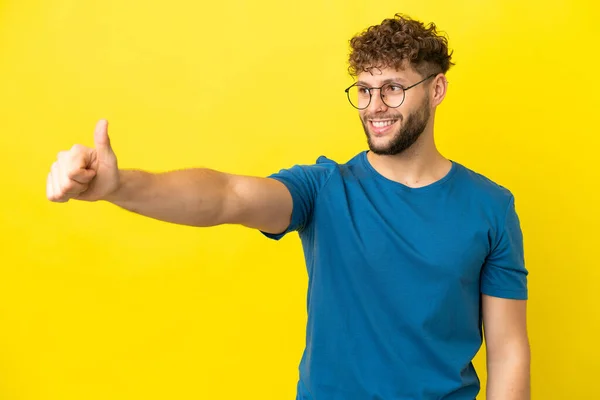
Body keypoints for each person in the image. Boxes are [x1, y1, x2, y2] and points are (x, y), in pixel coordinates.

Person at [46, 13, 530, 400]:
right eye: (364, 90)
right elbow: (226, 197)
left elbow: (507, 351)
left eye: (393, 88)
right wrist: (120, 186)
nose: (375, 106)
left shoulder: (489, 206)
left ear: (437, 89)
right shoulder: (322, 189)